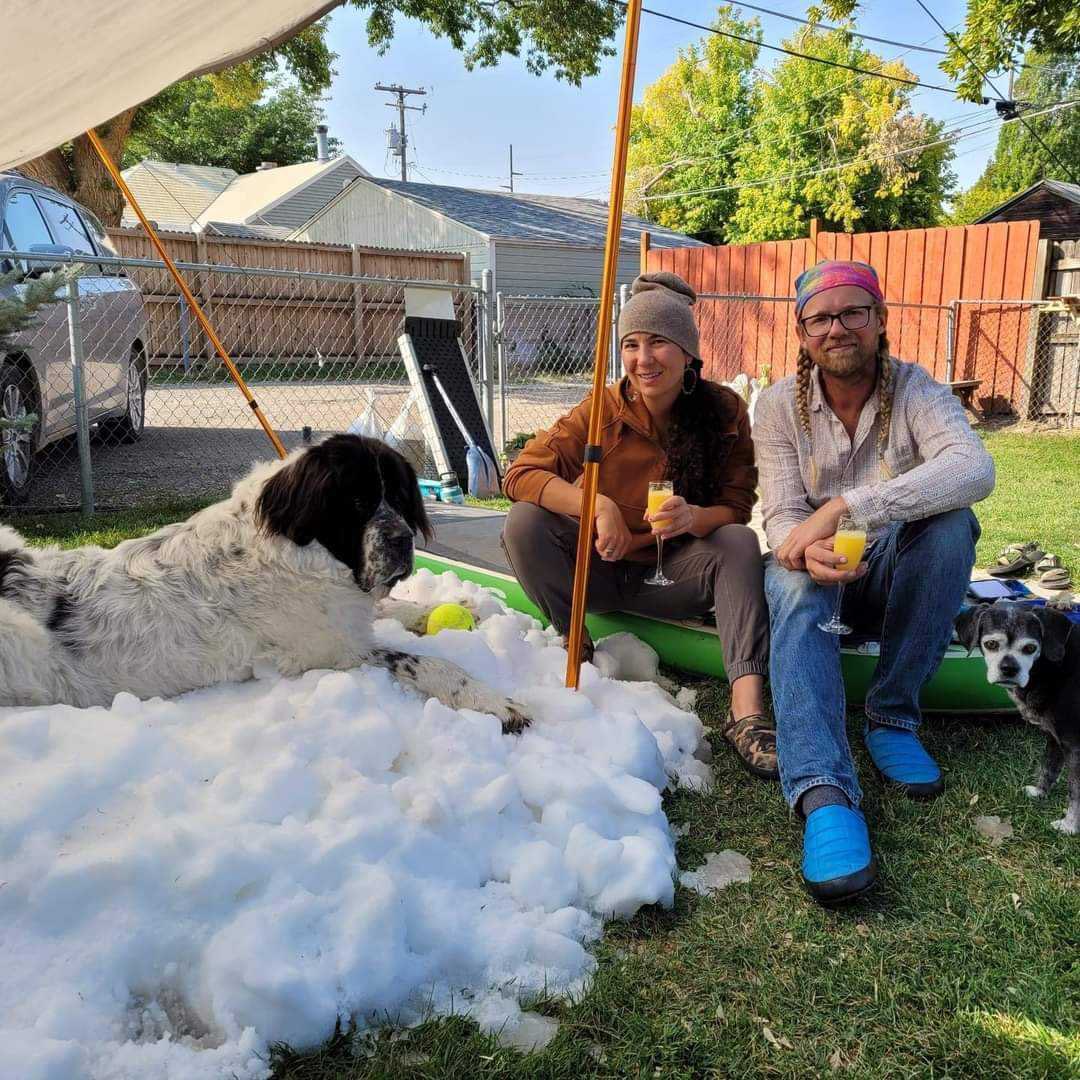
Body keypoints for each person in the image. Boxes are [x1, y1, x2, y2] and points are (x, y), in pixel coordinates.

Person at [753, 260, 995, 904]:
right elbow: (779, 513)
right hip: (816, 569)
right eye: (820, 318)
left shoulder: (915, 390)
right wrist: (801, 549)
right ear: (802, 333)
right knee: (792, 584)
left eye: (853, 312)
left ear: (880, 320)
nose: (837, 328)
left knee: (952, 526)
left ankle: (891, 718)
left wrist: (848, 507)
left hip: (892, 574)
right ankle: (824, 791)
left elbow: (972, 467)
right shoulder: (778, 404)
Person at [502, 272, 776, 780]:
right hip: (598, 574)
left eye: (659, 343)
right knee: (524, 523)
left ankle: (748, 713)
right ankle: (573, 638)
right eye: (631, 344)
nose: (643, 359)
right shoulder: (601, 409)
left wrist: (695, 518)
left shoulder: (723, 411)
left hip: (674, 575)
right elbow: (519, 474)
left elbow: (736, 505)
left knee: (738, 542)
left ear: (688, 353)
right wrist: (595, 503)